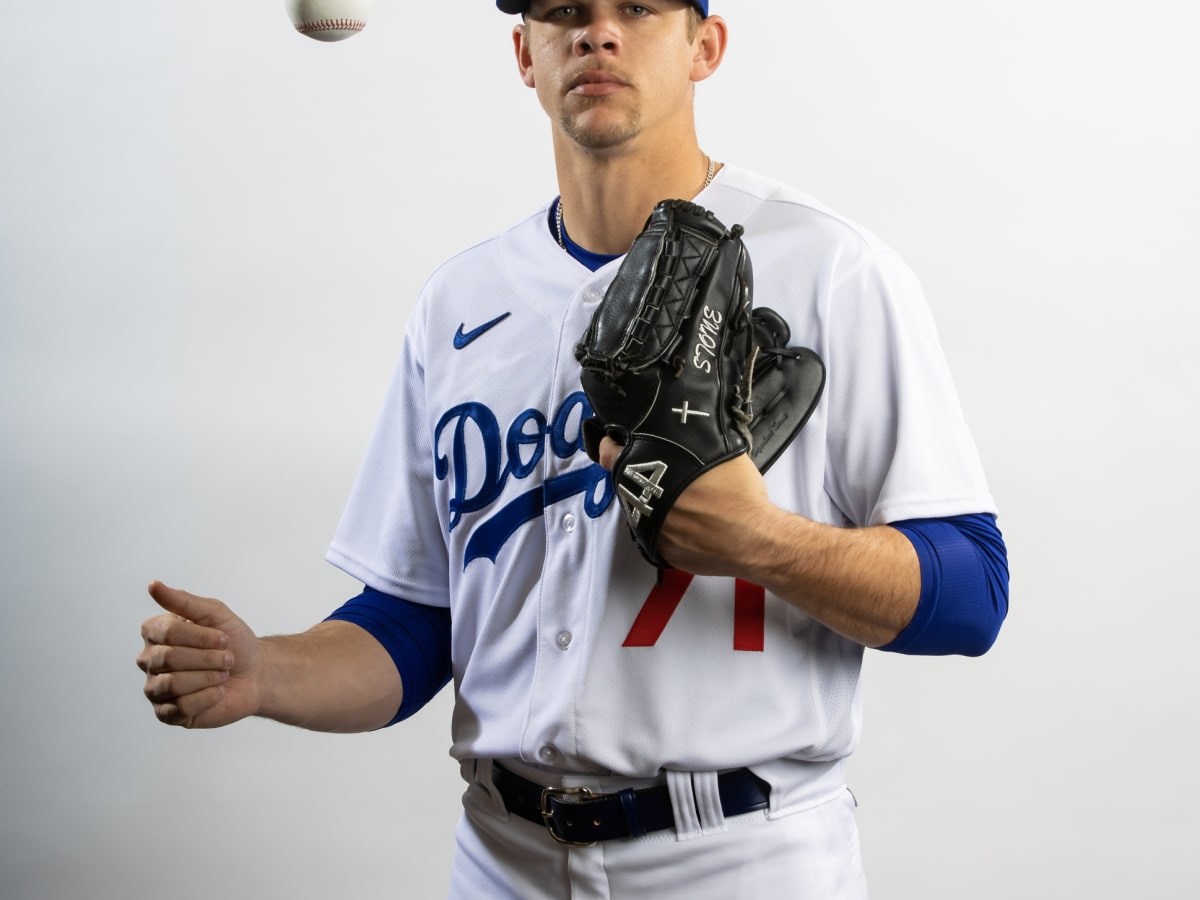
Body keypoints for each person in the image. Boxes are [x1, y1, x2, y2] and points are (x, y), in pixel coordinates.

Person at [138, 2, 1009, 896]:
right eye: (563, 11)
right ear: (524, 53)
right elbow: (419, 621)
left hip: (741, 858)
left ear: (705, 46)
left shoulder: (831, 268)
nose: (597, 33)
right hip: (502, 859)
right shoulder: (459, 302)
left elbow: (973, 591)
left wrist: (761, 539)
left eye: (635, 8)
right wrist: (264, 670)